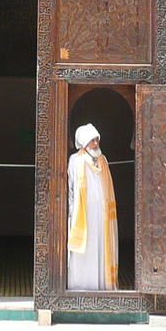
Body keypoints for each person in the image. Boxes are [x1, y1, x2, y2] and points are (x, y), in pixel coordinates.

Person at [66, 122, 119, 291]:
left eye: (97, 140)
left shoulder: (103, 161)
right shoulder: (75, 160)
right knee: (84, 252)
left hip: (101, 217)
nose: (95, 144)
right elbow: (71, 189)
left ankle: (101, 287)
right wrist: (72, 212)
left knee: (101, 249)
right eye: (92, 140)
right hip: (83, 216)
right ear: (83, 142)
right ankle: (80, 286)